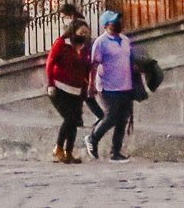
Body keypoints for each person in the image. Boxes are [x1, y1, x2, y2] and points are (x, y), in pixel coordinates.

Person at [85, 12, 136, 161]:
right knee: (111, 116)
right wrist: (91, 84)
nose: (118, 24)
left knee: (123, 119)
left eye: (119, 21)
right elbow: (94, 65)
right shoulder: (101, 42)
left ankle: (116, 152)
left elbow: (129, 60)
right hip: (108, 86)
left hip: (125, 85)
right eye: (114, 22)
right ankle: (93, 138)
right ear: (106, 25)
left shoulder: (125, 40)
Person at [44, 13, 93, 162]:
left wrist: (87, 86)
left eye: (86, 33)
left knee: (75, 121)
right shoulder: (62, 43)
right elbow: (50, 63)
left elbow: (87, 68)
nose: (84, 35)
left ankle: (68, 152)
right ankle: (58, 148)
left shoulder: (85, 48)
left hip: (77, 89)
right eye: (81, 32)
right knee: (69, 118)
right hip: (60, 88)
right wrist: (50, 84)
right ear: (74, 31)